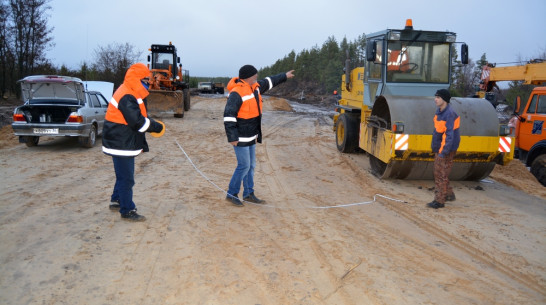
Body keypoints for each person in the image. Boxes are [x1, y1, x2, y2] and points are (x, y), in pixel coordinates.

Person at [223, 65, 295, 206]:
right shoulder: (236, 93)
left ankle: (248, 193)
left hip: (251, 135)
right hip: (240, 137)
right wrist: (232, 137)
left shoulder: (255, 87)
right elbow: (228, 116)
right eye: (254, 75)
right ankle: (231, 194)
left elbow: (270, 81)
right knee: (244, 166)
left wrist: (284, 75)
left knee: (251, 166)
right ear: (248, 76)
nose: (257, 76)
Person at [102, 63, 165, 221]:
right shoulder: (127, 95)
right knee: (127, 178)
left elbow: (140, 116)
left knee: (121, 175)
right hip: (120, 143)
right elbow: (138, 122)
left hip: (120, 140)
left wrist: (151, 123)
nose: (149, 83)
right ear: (138, 78)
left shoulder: (131, 91)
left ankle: (117, 199)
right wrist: (156, 127)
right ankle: (127, 210)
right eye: (147, 80)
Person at [428, 89, 460, 209]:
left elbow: (449, 136)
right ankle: (449, 194)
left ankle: (439, 201)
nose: (435, 99)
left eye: (438, 97)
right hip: (441, 148)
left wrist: (442, 152)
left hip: (446, 149)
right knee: (444, 172)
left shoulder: (449, 114)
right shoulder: (440, 112)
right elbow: (437, 131)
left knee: (439, 173)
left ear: (445, 100)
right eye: (435, 97)